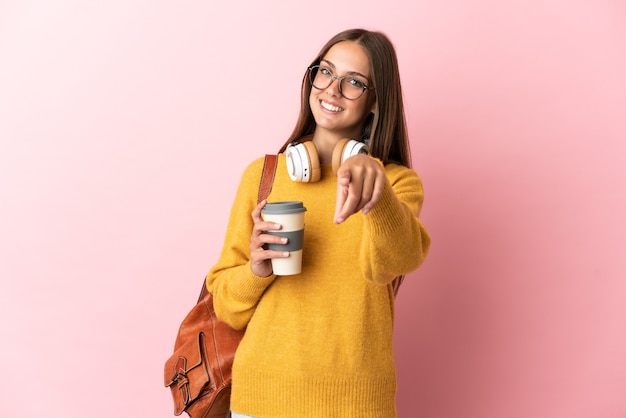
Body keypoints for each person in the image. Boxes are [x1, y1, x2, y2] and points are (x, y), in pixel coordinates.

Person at [206, 28, 431, 418]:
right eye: (324, 73)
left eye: (354, 83)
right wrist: (256, 270)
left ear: (376, 103)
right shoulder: (262, 176)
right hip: (262, 399)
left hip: (357, 404)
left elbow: (397, 261)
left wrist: (375, 189)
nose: (332, 90)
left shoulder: (395, 184)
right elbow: (226, 306)